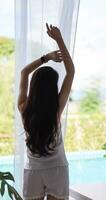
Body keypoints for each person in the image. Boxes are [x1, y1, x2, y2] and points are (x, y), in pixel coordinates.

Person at [17, 23, 75, 200]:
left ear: (34, 87)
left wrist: (46, 58)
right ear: (52, 89)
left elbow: (24, 72)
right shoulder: (56, 108)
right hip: (57, 168)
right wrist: (59, 40)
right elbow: (70, 72)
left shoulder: (24, 108)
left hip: (33, 170)